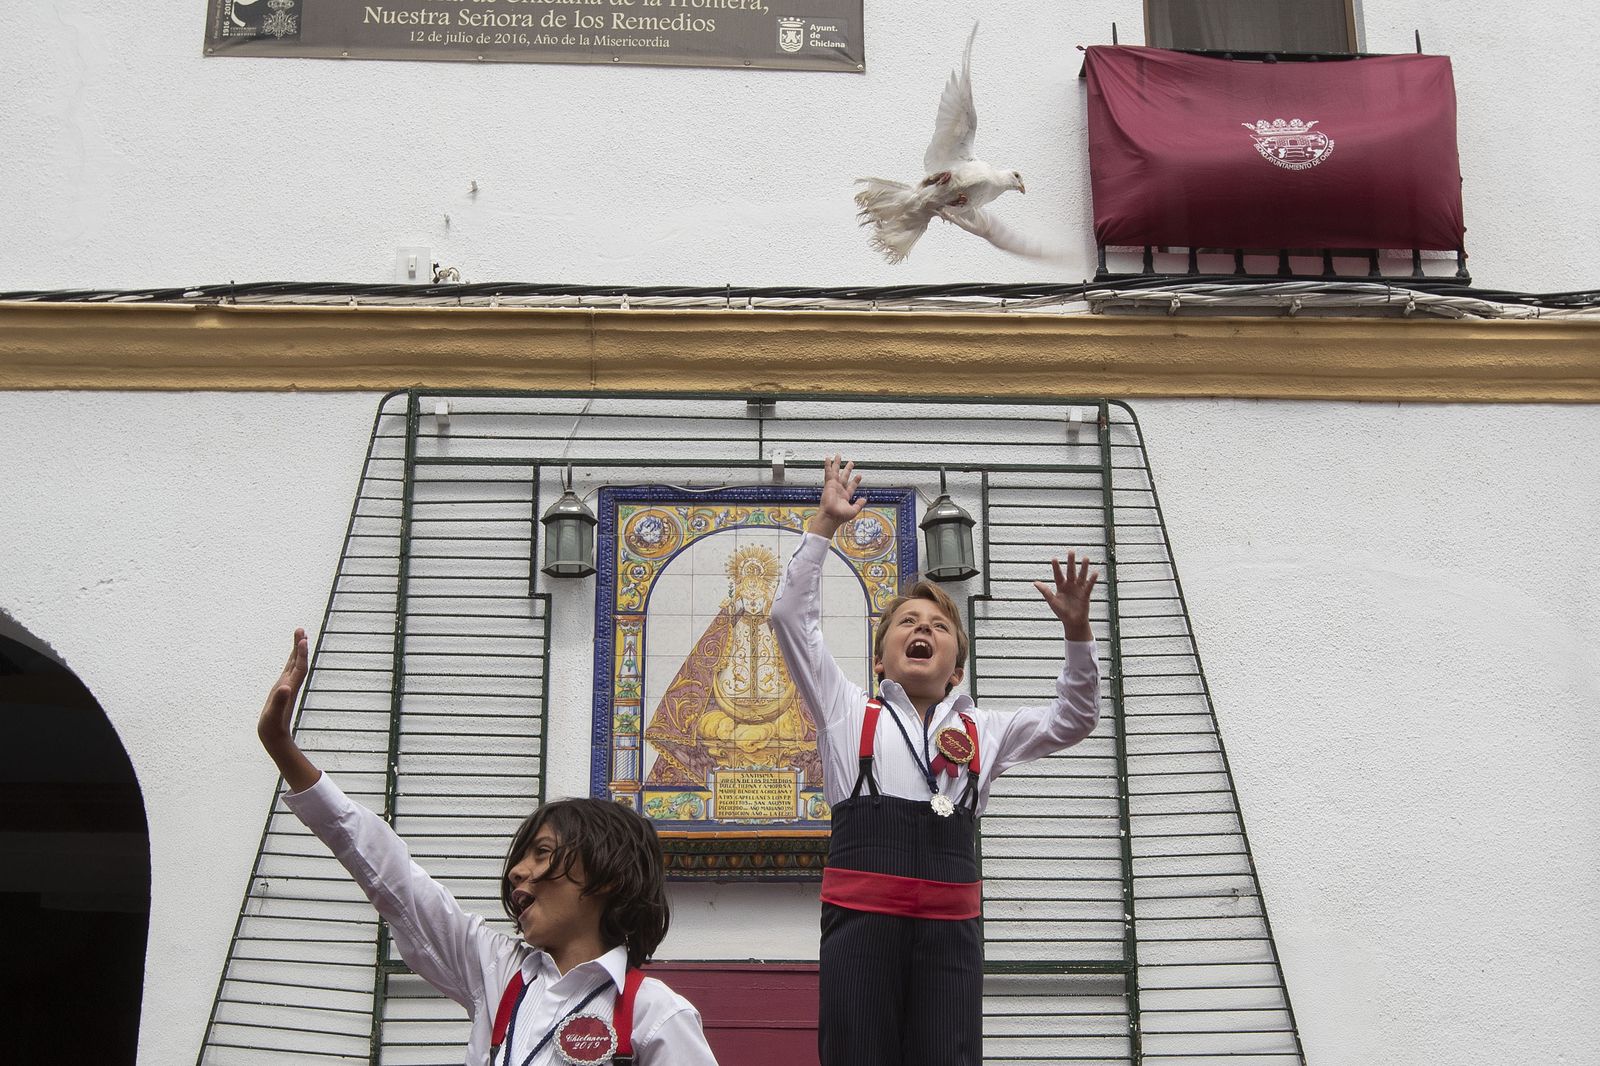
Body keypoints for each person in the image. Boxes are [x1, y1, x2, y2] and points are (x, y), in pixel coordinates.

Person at [769, 456, 1101, 1066]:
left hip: (950, 935)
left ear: (957, 668)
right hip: (862, 929)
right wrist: (823, 526)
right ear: (880, 659)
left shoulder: (986, 729)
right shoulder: (847, 711)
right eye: (907, 623)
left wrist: (1078, 635)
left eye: (938, 627)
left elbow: (1074, 719)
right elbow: (791, 619)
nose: (922, 629)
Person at [257, 629, 719, 1066]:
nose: (518, 871)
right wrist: (283, 749)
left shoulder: (654, 1013)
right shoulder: (496, 972)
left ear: (608, 876)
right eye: (521, 857)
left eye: (542, 852)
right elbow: (394, 877)